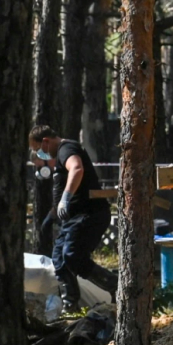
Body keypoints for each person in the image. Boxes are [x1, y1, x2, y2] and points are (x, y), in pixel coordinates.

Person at [29, 125, 117, 313]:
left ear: (45, 141)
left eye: (38, 149)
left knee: (72, 256)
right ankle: (71, 308)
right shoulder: (60, 154)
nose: (40, 154)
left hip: (89, 213)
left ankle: (115, 285)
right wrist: (52, 215)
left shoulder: (66, 149)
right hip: (75, 217)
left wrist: (66, 198)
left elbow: (76, 169)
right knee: (59, 261)